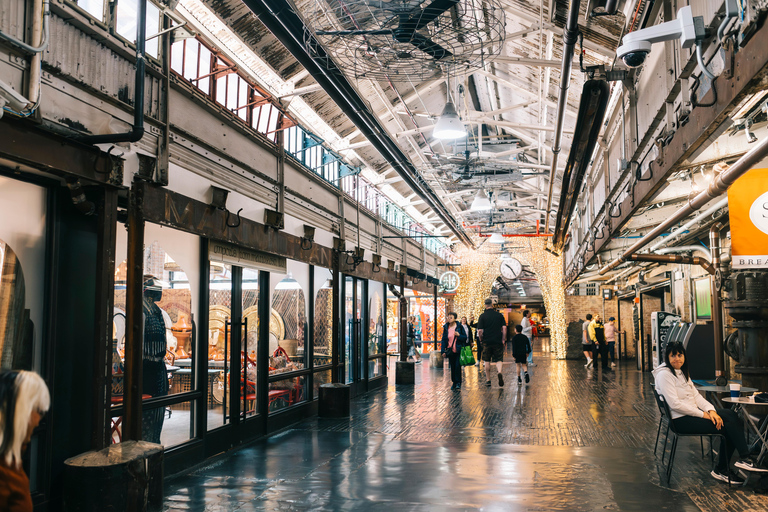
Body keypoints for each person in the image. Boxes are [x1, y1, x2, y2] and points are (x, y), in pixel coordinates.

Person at [652, 342, 768, 484]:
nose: (677, 359)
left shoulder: (682, 372)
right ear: (667, 357)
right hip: (681, 421)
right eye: (673, 355)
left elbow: (697, 397)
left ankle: (742, 459)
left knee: (732, 416)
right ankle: (727, 466)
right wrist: (704, 415)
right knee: (729, 427)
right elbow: (675, 405)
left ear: (684, 356)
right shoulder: (664, 375)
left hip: (692, 414)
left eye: (680, 355)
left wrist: (711, 411)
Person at [0, 371, 50, 512]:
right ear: (23, 411)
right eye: (38, 411)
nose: (39, 420)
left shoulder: (12, 459)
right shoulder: (5, 472)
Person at [142, 275, 170, 443]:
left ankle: (152, 450)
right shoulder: (143, 311)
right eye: (157, 288)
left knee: (157, 416)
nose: (161, 292)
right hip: (146, 370)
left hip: (157, 368)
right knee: (147, 418)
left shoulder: (155, 311)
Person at [477, 298, 507, 387]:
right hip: (497, 340)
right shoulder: (499, 315)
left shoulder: (482, 316)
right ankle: (499, 372)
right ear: (492, 305)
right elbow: (504, 328)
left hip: (487, 341)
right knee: (499, 359)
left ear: (485, 305)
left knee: (486, 360)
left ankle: (488, 380)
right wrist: (503, 339)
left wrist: (481, 339)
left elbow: (480, 331)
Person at [440, 312, 467, 390]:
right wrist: (443, 351)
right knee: (452, 367)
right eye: (448, 317)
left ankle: (458, 382)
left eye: (451, 317)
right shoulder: (446, 327)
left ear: (455, 318)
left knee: (457, 366)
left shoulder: (459, 327)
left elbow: (465, 338)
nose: (449, 319)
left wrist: (459, 335)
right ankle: (454, 382)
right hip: (450, 351)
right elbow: (444, 340)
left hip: (458, 350)